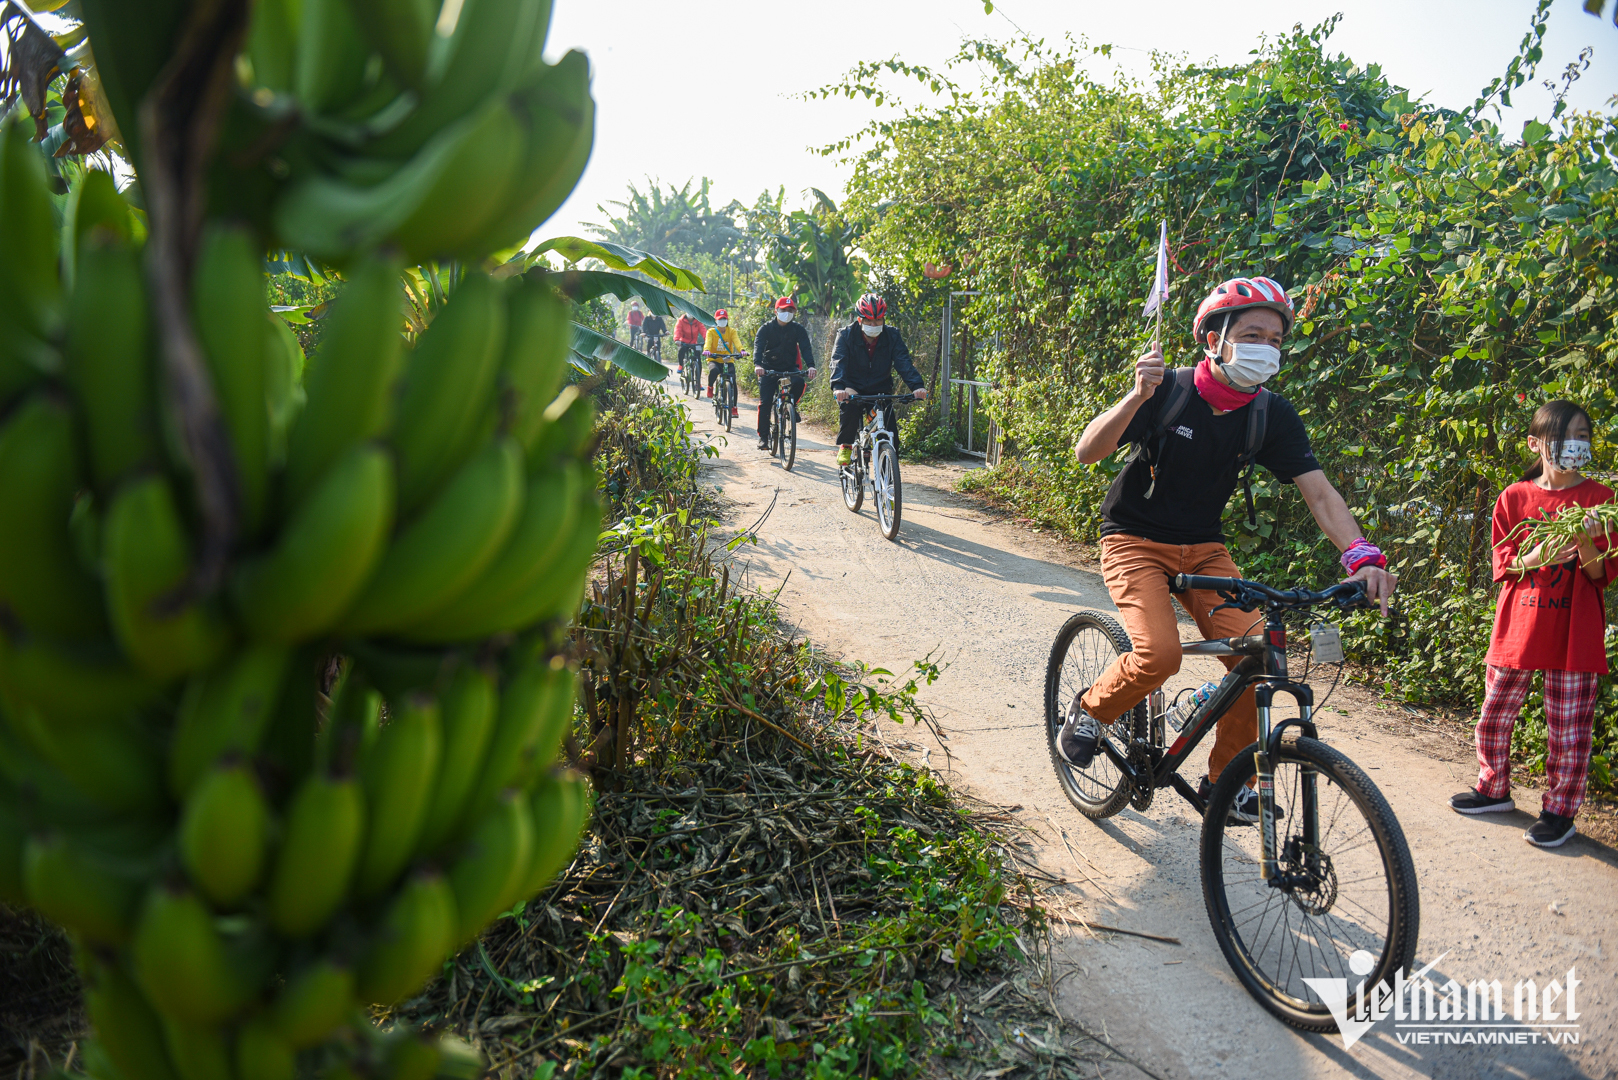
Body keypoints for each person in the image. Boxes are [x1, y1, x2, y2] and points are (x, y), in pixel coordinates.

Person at [1061, 276, 1397, 824]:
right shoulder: (1167, 390)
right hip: (1134, 541)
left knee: (1256, 654)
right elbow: (1086, 451)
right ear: (1213, 339)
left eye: (1275, 338)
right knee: (1160, 656)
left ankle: (1226, 781)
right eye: (1252, 334)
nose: (1266, 347)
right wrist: (1135, 397)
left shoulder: (1270, 415)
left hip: (1205, 550)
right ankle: (1090, 712)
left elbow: (1319, 491)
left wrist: (1362, 555)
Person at [1449, 400, 1614, 848]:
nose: (1575, 445)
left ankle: (1560, 811)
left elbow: (1601, 576)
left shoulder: (1601, 500)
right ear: (1536, 443)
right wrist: (1538, 555)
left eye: (1583, 436)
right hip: (1518, 627)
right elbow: (1502, 567)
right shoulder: (1514, 497)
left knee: (1569, 728)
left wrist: (1585, 542)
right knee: (1495, 713)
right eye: (1565, 436)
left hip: (1574, 634)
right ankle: (1492, 788)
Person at [830, 293, 926, 465]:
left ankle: (888, 478)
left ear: (883, 320)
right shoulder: (845, 335)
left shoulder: (892, 336)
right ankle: (846, 445)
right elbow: (839, 361)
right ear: (860, 320)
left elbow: (903, 362)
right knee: (850, 406)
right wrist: (838, 386)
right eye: (869, 321)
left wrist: (917, 386)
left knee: (891, 436)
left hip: (880, 387)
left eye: (878, 320)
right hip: (853, 386)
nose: (873, 325)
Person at [751, 297, 817, 450]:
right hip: (769, 369)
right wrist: (758, 365)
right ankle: (763, 437)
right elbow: (758, 346)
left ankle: (791, 406)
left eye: (790, 310)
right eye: (783, 310)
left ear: (793, 312)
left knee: (799, 382)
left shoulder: (797, 329)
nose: (786, 313)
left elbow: (806, 347)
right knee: (766, 402)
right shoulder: (766, 328)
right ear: (776, 311)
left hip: (789, 368)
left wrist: (811, 366)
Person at [703, 308, 744, 417]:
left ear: (727, 320)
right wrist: (707, 350)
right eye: (720, 319)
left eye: (724, 318)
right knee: (714, 370)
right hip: (714, 359)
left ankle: (734, 407)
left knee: (733, 381)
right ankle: (710, 387)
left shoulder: (732, 331)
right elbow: (708, 342)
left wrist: (742, 350)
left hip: (728, 359)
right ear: (716, 320)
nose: (722, 321)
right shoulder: (711, 331)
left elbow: (737, 342)